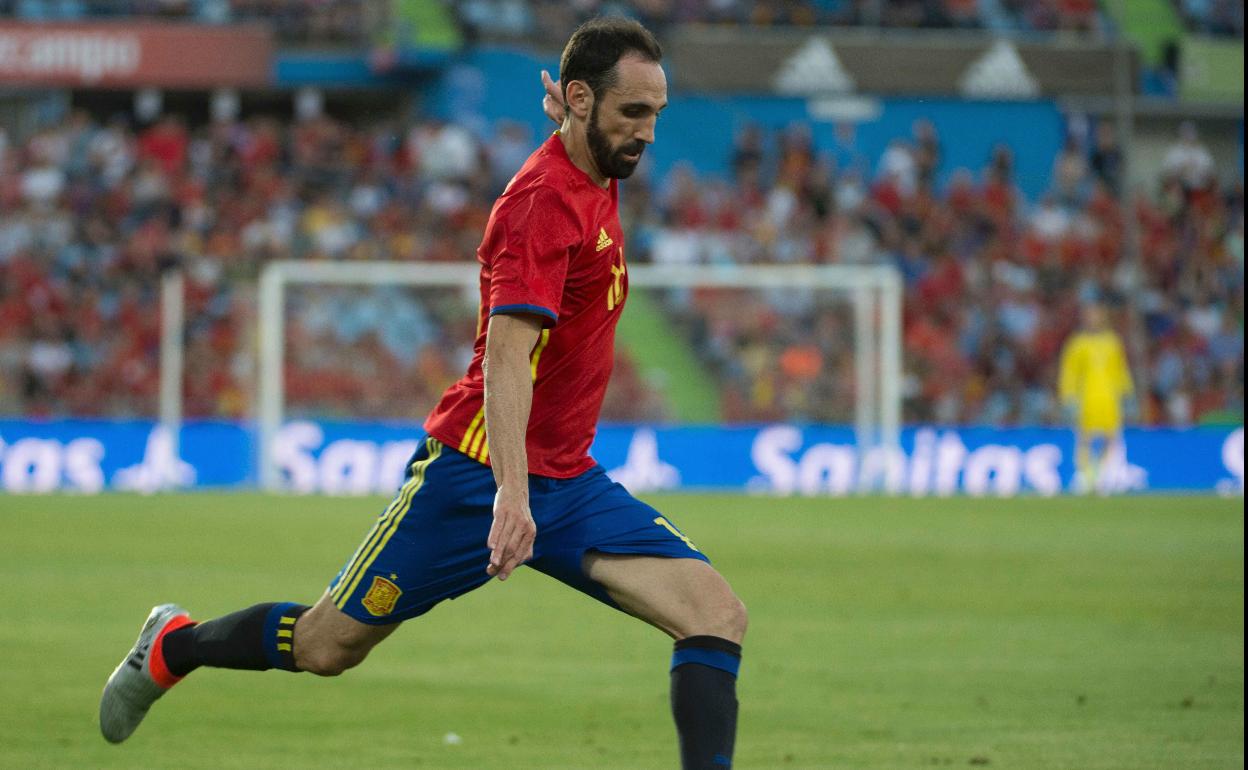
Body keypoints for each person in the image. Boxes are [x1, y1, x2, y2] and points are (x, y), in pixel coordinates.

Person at [99, 18, 747, 770]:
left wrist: (580, 122)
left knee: (716, 615)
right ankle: (173, 646)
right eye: (633, 112)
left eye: (656, 113)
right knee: (327, 645)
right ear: (578, 98)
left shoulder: (593, 166)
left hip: (566, 479)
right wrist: (510, 493)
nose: (649, 132)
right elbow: (509, 357)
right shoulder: (539, 205)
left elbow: (583, 151)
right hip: (474, 475)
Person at [1058, 301, 1135, 494]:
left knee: (1111, 437)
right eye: (1089, 315)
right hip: (1087, 398)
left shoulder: (1112, 342)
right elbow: (1069, 372)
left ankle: (1102, 475)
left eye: (1096, 315)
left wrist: (1127, 393)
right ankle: (1085, 475)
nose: (1092, 319)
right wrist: (1068, 396)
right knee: (1085, 437)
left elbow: (1121, 370)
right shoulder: (1077, 343)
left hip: (1109, 398)